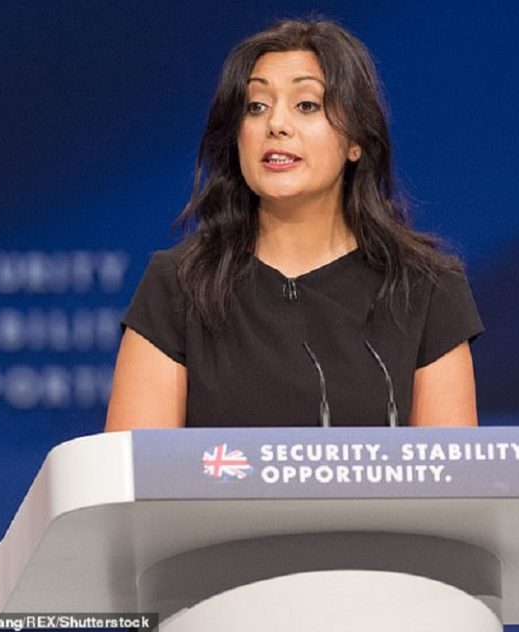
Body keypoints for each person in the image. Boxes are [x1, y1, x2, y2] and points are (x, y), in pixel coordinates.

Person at [105, 19, 483, 431]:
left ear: (356, 140)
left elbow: (449, 469)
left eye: (306, 105)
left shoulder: (426, 288)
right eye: (256, 106)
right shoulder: (178, 286)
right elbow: (134, 467)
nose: (276, 124)